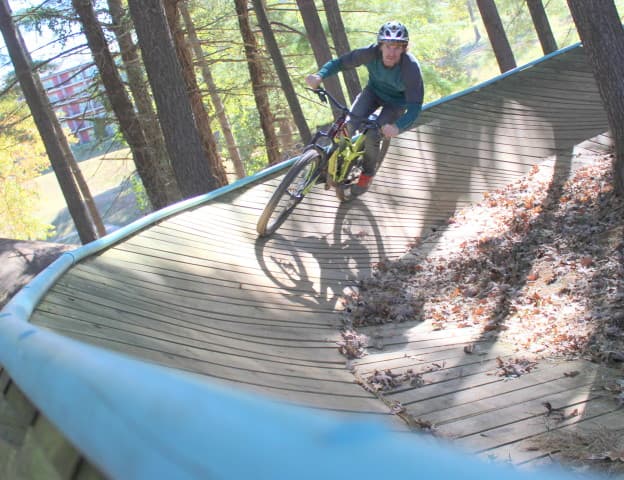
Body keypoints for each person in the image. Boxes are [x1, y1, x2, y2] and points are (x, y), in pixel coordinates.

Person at [306, 21, 424, 195]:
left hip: (396, 103)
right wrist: (319, 75)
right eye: (388, 46)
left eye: (397, 47)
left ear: (404, 48)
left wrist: (397, 127)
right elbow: (341, 62)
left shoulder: (410, 68)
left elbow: (415, 106)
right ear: (380, 45)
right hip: (373, 92)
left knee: (373, 135)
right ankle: (333, 165)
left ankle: (367, 175)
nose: (391, 52)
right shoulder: (370, 53)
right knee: (348, 125)